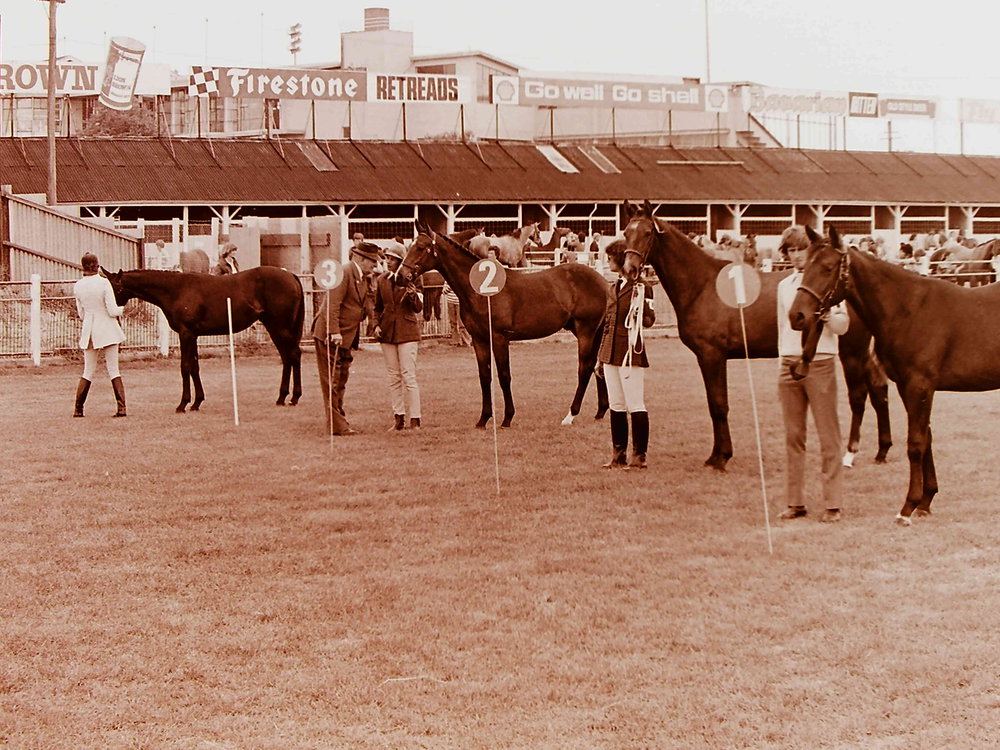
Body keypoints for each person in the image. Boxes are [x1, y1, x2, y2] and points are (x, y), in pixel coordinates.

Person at [776, 227, 849, 522]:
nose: (795, 256)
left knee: (828, 435)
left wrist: (831, 317)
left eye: (800, 249)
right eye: (790, 250)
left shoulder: (827, 282)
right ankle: (795, 502)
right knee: (793, 436)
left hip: (820, 362)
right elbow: (781, 328)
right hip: (788, 363)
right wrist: (782, 358)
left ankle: (833, 503)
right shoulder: (784, 285)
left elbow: (844, 325)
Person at [596, 239, 656, 469]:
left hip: (631, 350)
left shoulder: (642, 288)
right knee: (616, 404)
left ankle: (639, 456)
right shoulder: (614, 287)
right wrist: (602, 357)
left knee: (635, 403)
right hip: (611, 352)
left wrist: (641, 310)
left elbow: (650, 320)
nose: (608, 261)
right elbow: (608, 324)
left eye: (610, 257)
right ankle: (618, 454)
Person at [312, 241, 380, 436]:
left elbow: (367, 304)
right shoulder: (344, 273)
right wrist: (334, 332)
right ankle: (337, 425)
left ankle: (339, 418)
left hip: (347, 337)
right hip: (330, 336)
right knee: (331, 381)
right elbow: (333, 305)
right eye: (372, 262)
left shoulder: (364, 277)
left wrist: (375, 325)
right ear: (359, 258)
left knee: (341, 379)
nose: (374, 266)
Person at [373, 242, 424, 431]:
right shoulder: (382, 280)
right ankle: (398, 418)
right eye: (387, 258)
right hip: (387, 333)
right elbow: (377, 307)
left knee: (408, 376)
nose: (388, 262)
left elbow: (418, 308)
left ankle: (415, 419)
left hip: (407, 332)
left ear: (401, 261)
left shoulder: (414, 279)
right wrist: (376, 324)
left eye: (392, 259)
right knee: (393, 377)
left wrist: (412, 295)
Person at [72, 252, 127, 418]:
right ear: (97, 265)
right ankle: (121, 408)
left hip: (90, 328)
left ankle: (78, 409)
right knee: (113, 369)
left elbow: (81, 313)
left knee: (88, 370)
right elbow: (111, 310)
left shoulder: (78, 285)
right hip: (107, 327)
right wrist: (122, 310)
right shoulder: (104, 283)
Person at [443, 282, 472, 347]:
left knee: (462, 323)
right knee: (453, 322)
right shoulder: (446, 280)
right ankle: (455, 341)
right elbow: (444, 291)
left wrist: (450, 286)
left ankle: (466, 341)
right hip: (450, 301)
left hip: (460, 302)